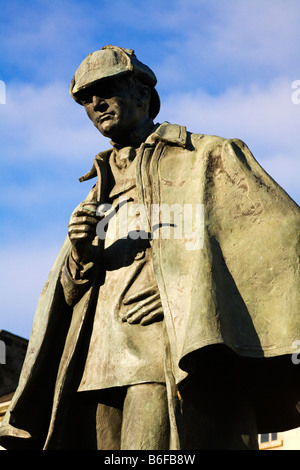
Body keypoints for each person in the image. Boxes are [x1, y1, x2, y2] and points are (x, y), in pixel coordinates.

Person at [0, 45, 300, 450]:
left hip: (155, 357)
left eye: (106, 89)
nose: (96, 104)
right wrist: (80, 254)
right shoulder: (97, 188)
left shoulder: (205, 156)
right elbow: (70, 294)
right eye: (86, 100)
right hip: (90, 366)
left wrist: (186, 296)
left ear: (142, 93)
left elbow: (282, 238)